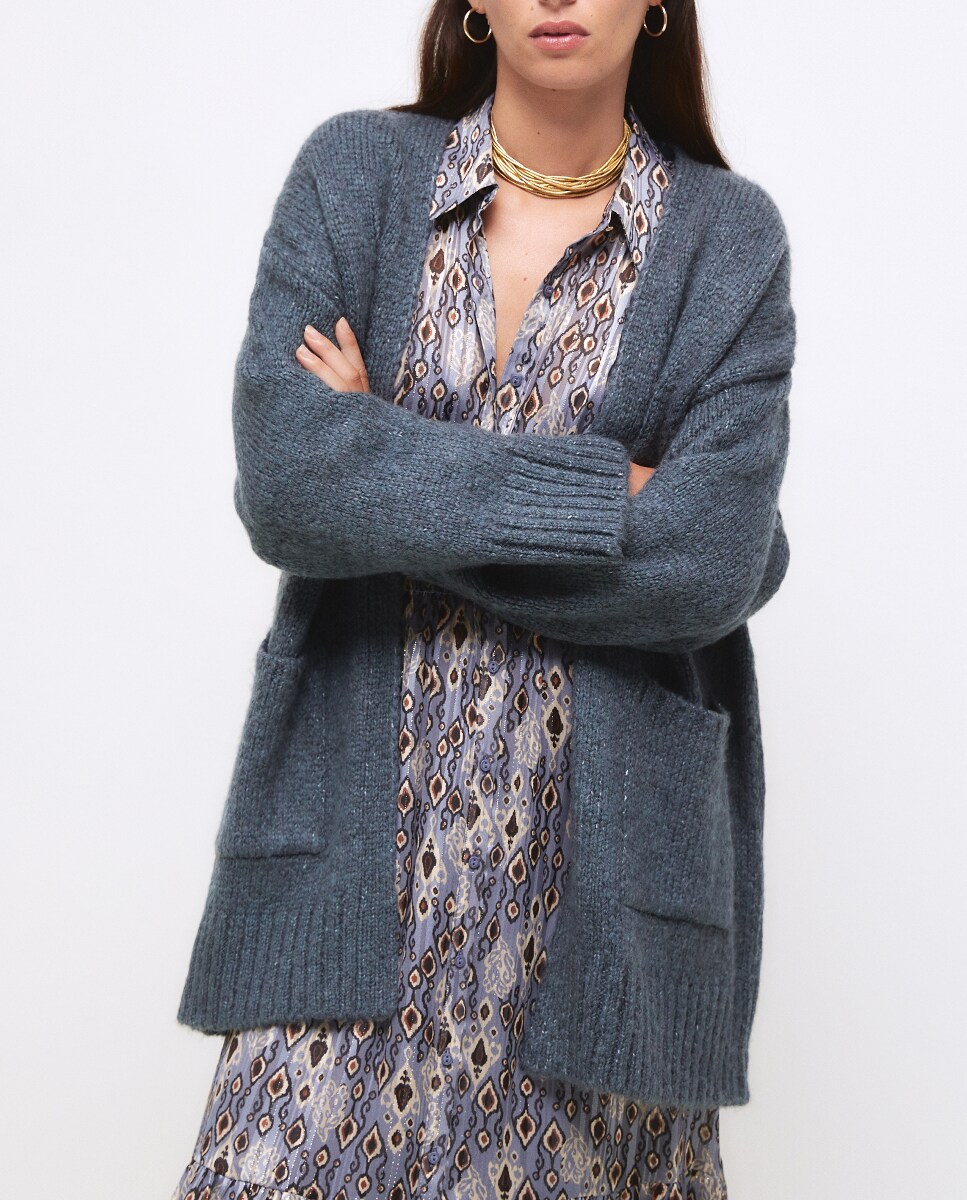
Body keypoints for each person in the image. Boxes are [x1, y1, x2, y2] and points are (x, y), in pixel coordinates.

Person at [171, 2, 795, 1197]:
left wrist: (383, 463)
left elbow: (712, 562)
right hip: (353, 894)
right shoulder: (357, 175)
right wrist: (615, 494)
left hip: (593, 915)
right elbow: (287, 486)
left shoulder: (729, 238)